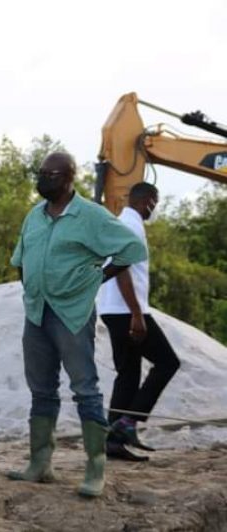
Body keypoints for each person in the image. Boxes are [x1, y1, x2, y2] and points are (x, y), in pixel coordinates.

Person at [7, 152, 146, 498]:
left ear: (70, 177)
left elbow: (131, 248)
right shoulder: (34, 216)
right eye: (41, 173)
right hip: (36, 312)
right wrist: (29, 283)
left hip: (71, 313)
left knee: (85, 388)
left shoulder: (91, 215)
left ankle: (95, 467)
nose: (44, 179)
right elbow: (19, 258)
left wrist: (96, 279)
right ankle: (40, 463)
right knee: (41, 389)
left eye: (52, 174)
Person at [97, 182, 180, 461]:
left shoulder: (122, 223)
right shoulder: (130, 226)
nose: (155, 209)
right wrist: (136, 314)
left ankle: (114, 441)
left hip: (114, 308)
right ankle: (127, 423)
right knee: (168, 362)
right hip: (126, 310)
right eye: (155, 203)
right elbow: (121, 270)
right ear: (147, 201)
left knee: (128, 374)